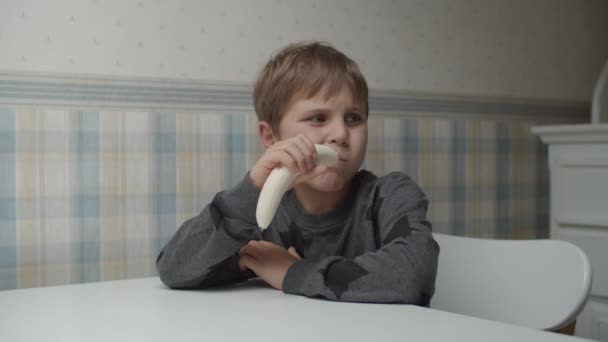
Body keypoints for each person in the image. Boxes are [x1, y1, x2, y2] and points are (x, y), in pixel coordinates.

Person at [156, 41, 438, 305]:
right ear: (270, 136)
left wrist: (292, 271)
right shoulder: (257, 217)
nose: (340, 134)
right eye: (318, 118)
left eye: (353, 118)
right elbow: (173, 269)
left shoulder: (390, 196)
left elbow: (412, 276)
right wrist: (251, 189)